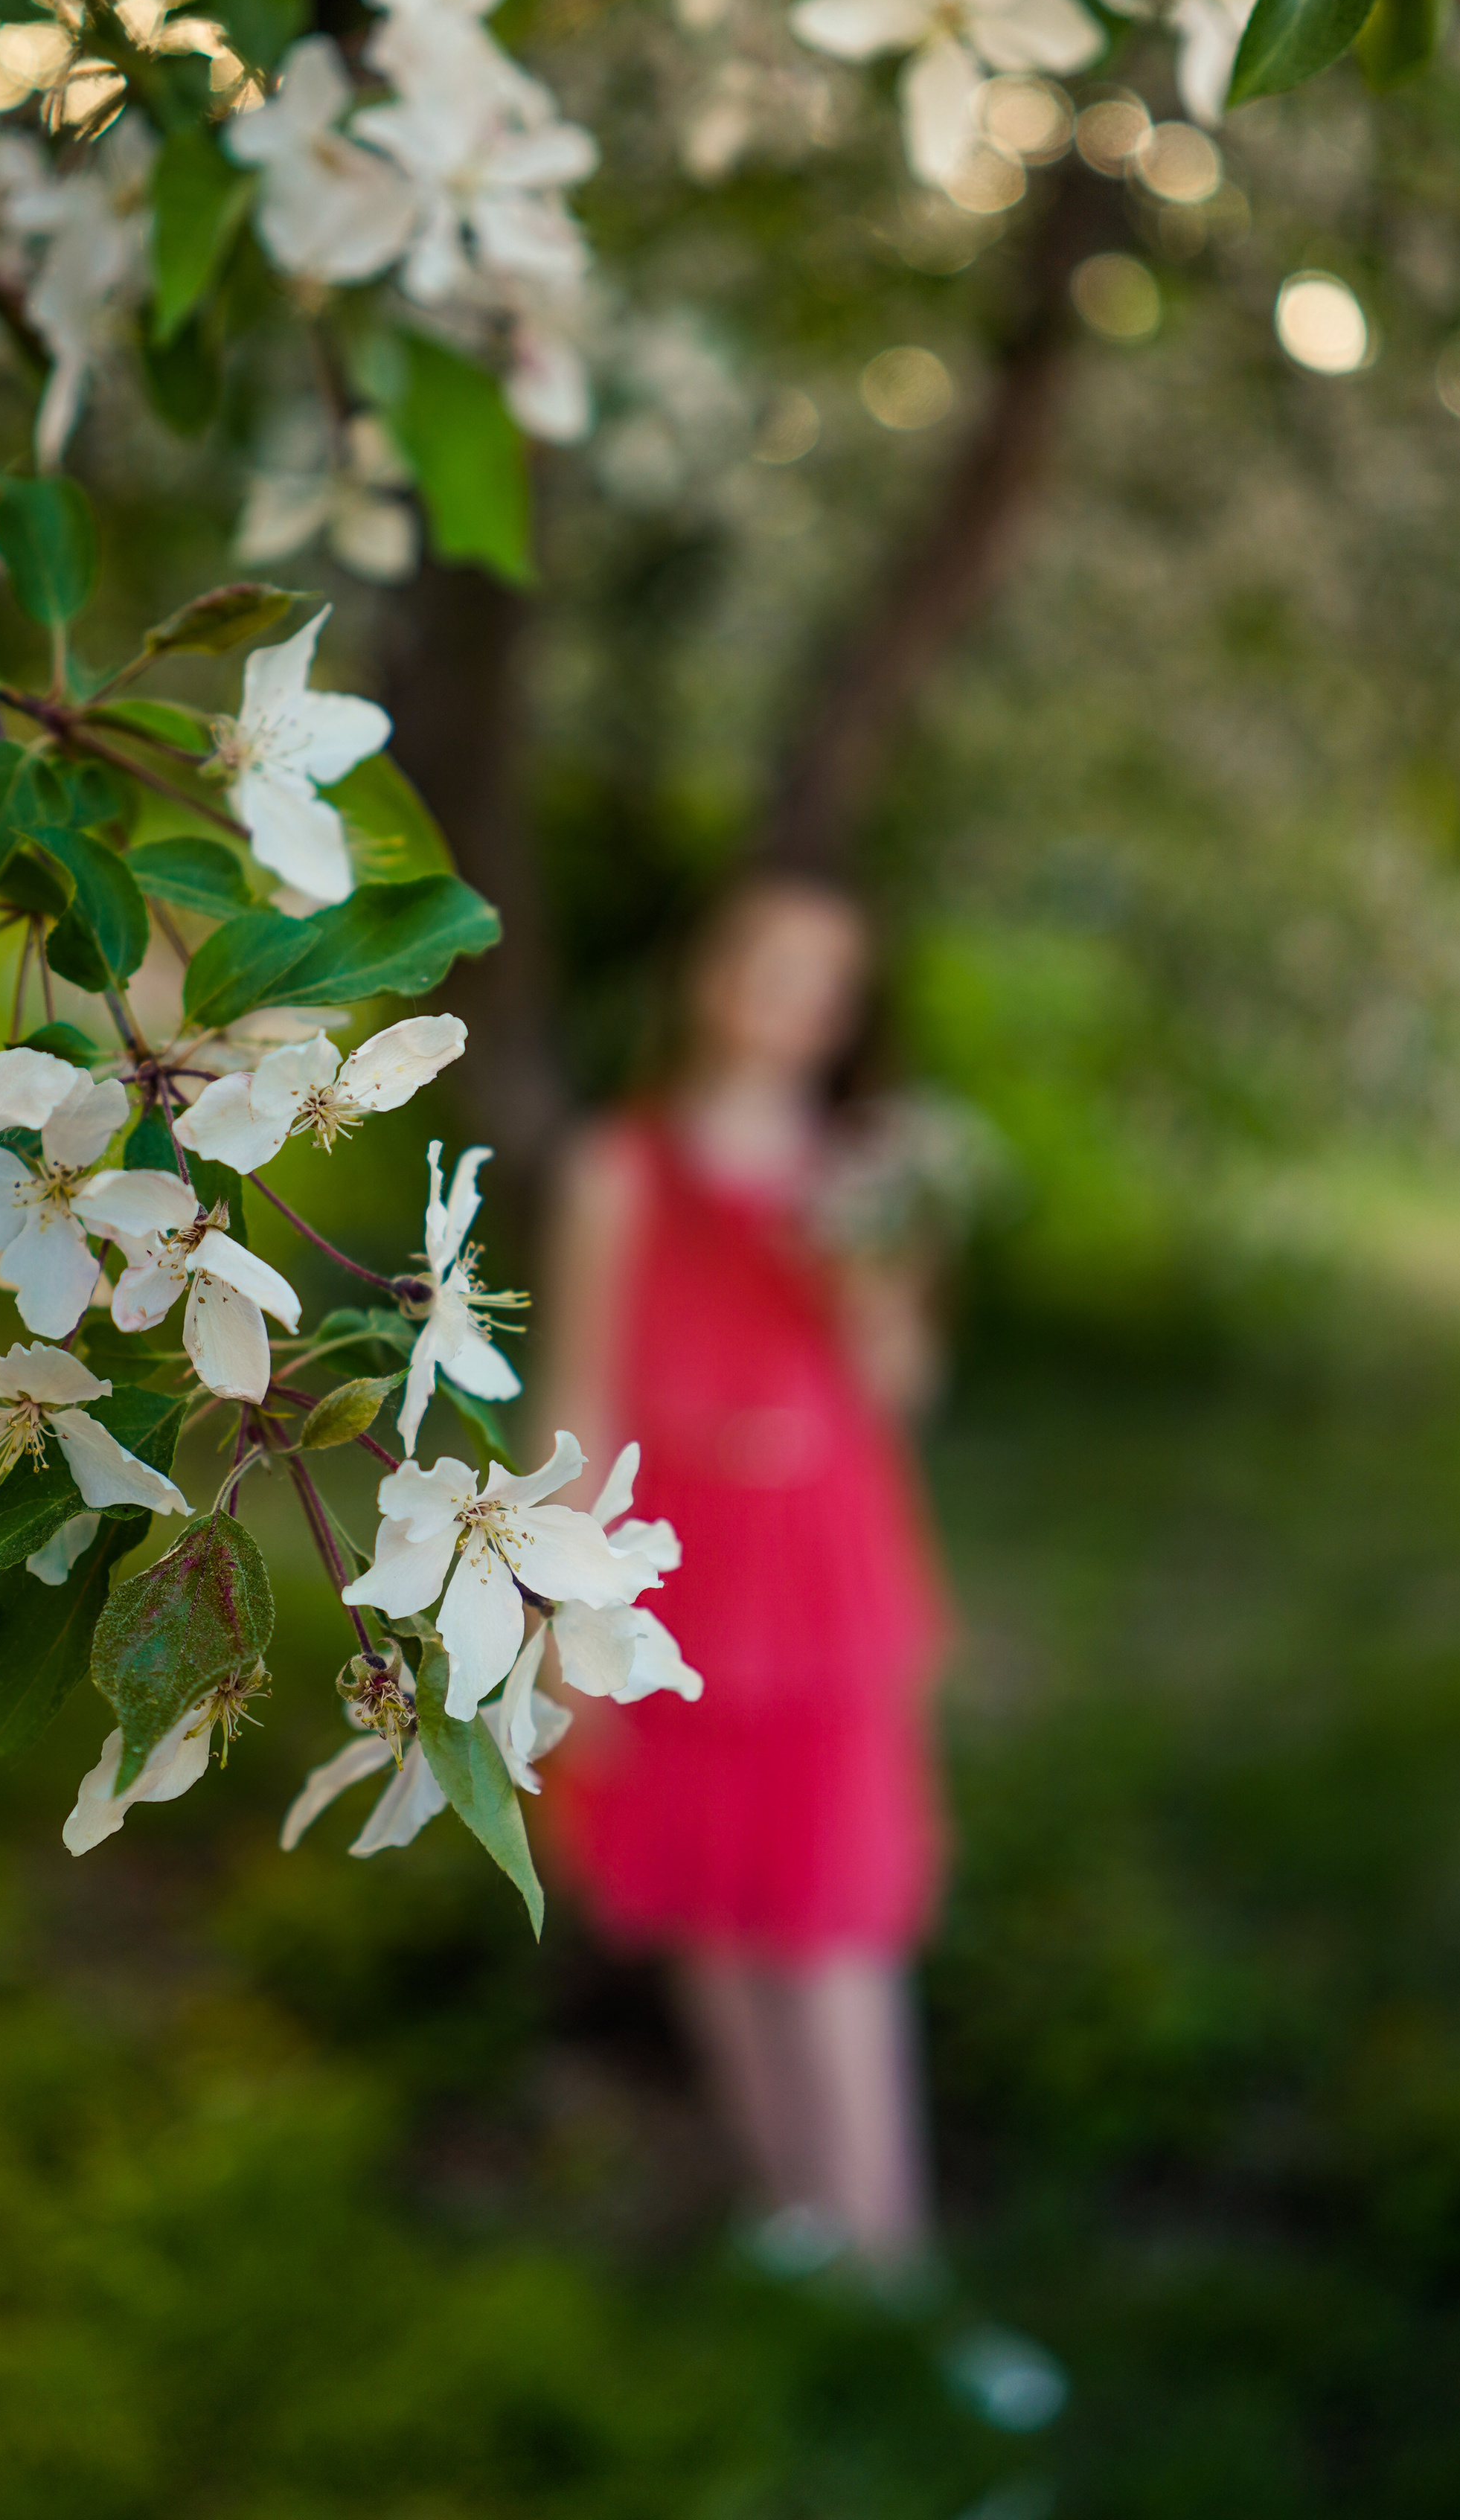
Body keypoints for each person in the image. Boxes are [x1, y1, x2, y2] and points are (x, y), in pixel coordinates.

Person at [542, 873, 951, 2274]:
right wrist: (566, 1606)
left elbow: (901, 1384)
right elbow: (579, 1394)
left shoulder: (868, 1172)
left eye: (827, 983)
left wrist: (870, 1269)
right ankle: (795, 2219)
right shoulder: (621, 1168)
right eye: (772, 966)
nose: (797, 1004)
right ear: (711, 976)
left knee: (835, 1911)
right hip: (677, 1566)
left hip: (820, 1563)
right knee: (712, 1894)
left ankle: (889, 2251)